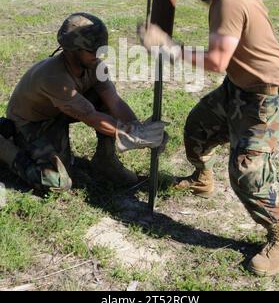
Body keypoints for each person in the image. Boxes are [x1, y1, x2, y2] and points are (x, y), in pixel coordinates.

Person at [139, 0, 279, 277]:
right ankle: (201, 179)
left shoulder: (229, 1)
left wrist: (167, 47)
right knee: (198, 128)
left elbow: (216, 60)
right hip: (239, 86)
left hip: (267, 95)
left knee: (246, 172)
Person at [0, 12, 166, 192]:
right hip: (30, 123)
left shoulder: (95, 66)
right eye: (92, 50)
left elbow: (114, 102)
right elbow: (90, 116)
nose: (99, 54)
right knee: (57, 182)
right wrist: (132, 135)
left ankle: (106, 161)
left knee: (101, 99)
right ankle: (5, 147)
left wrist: (139, 128)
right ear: (72, 50)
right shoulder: (55, 77)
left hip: (60, 110)